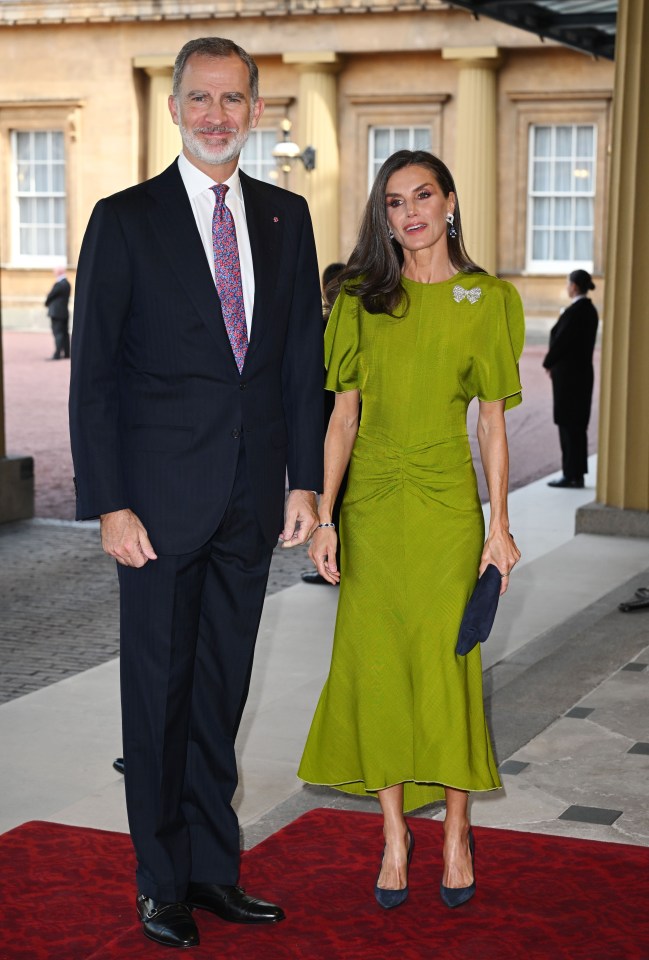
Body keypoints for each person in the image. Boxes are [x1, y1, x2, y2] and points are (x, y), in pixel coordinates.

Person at [69, 37, 323, 949]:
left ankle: (216, 871)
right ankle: (160, 881)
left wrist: (305, 484)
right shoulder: (125, 219)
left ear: (258, 110)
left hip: (251, 503)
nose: (217, 115)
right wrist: (109, 503)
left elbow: (301, 367)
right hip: (157, 509)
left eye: (234, 99)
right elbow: (93, 376)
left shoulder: (287, 220)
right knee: (159, 697)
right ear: (175, 108)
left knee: (220, 694)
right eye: (200, 99)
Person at [298, 149, 523, 910]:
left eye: (421, 195)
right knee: (376, 664)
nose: (409, 212)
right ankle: (394, 834)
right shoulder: (361, 298)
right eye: (393, 202)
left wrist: (500, 526)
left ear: (449, 201)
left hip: (444, 511)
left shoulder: (485, 298)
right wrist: (325, 517)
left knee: (445, 663)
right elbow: (341, 418)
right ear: (382, 216)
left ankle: (456, 828)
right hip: (372, 507)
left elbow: (491, 424)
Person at [301, 261, 347, 586]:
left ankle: (335, 558)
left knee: (334, 488)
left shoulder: (323, 324)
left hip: (330, 417)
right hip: (339, 417)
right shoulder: (326, 323)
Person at [543, 269, 599, 489]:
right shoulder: (589, 310)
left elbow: (561, 341)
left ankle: (571, 474)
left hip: (569, 378)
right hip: (581, 375)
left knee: (568, 423)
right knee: (577, 425)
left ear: (574, 286)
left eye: (568, 283)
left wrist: (548, 363)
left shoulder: (576, 311)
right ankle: (576, 473)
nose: (567, 287)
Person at [45, 265, 71, 359]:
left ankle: (57, 354)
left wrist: (46, 303)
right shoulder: (67, 284)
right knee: (65, 333)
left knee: (58, 333)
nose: (54, 273)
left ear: (59, 272)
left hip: (56, 313)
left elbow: (50, 296)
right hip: (64, 312)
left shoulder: (59, 284)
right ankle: (67, 353)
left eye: (55, 271)